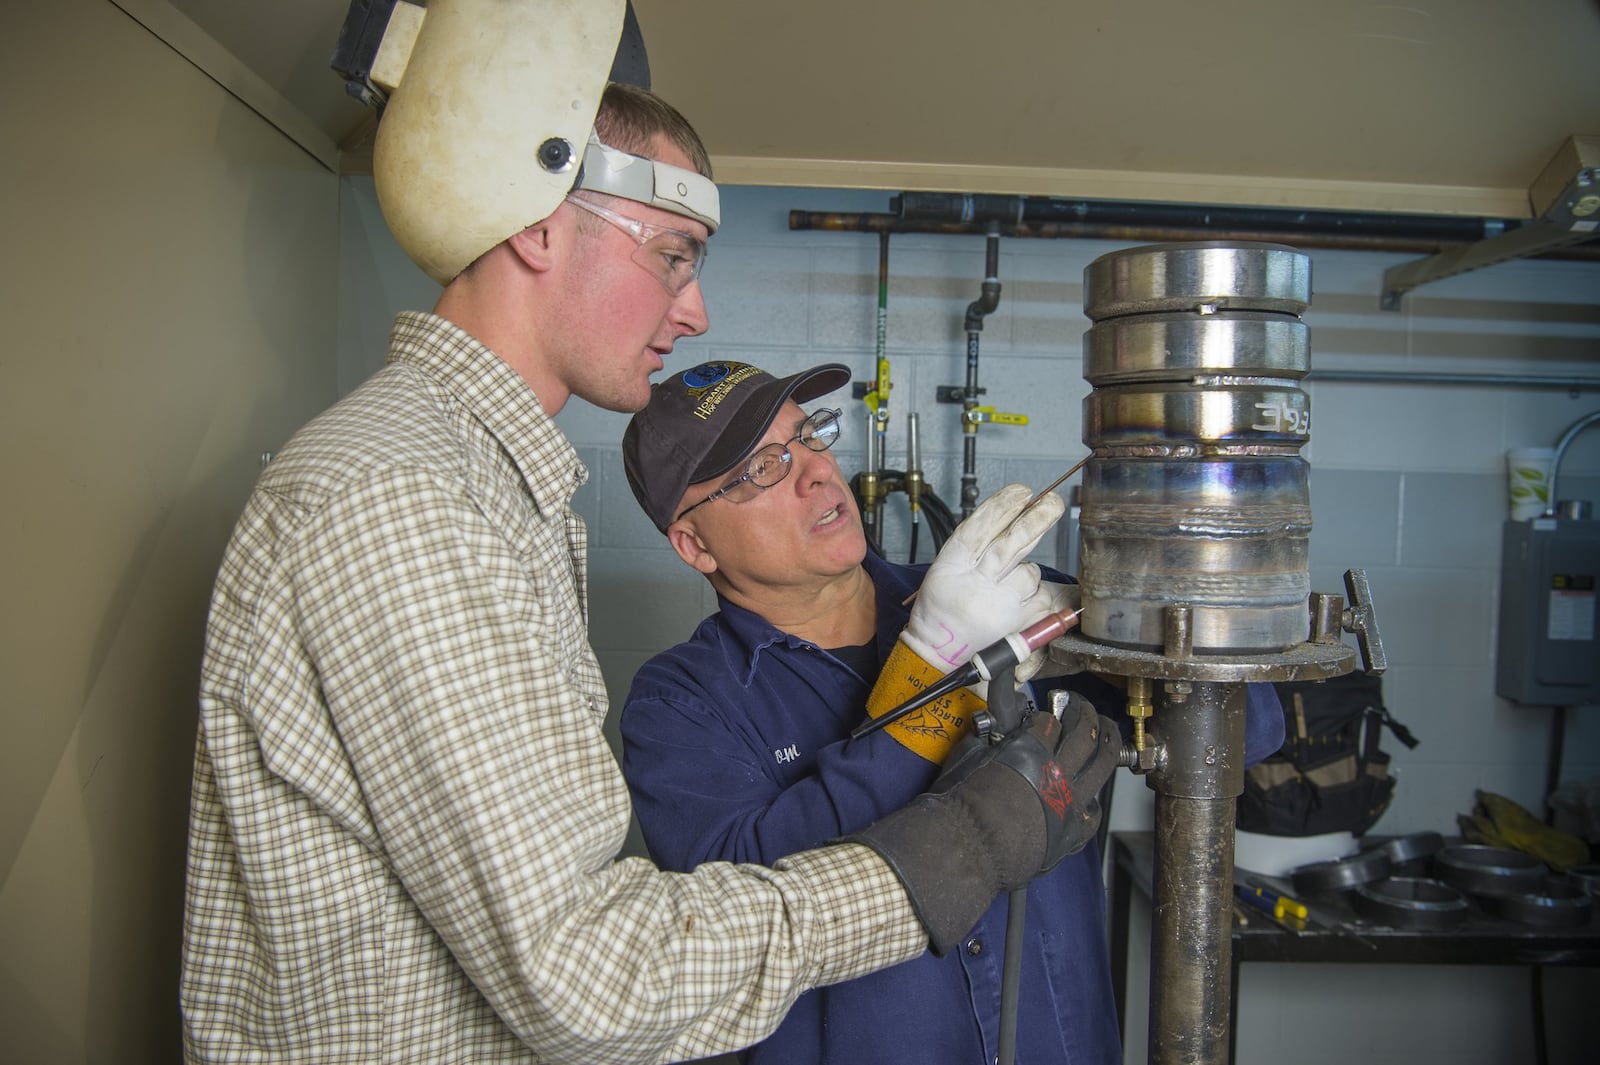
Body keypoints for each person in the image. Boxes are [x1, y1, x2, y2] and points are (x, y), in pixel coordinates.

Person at [178, 13, 1120, 1063]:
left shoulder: (479, 488)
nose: (697, 308)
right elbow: (587, 982)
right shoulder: (408, 497)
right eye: (673, 255)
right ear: (538, 220)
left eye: (805, 439)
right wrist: (962, 845)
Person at [619, 359, 1288, 1065]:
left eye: (809, 436)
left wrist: (1156, 597)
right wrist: (934, 666)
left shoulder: (1010, 602)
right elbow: (739, 914)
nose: (815, 472)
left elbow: (1247, 738)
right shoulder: (679, 705)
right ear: (694, 543)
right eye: (760, 469)